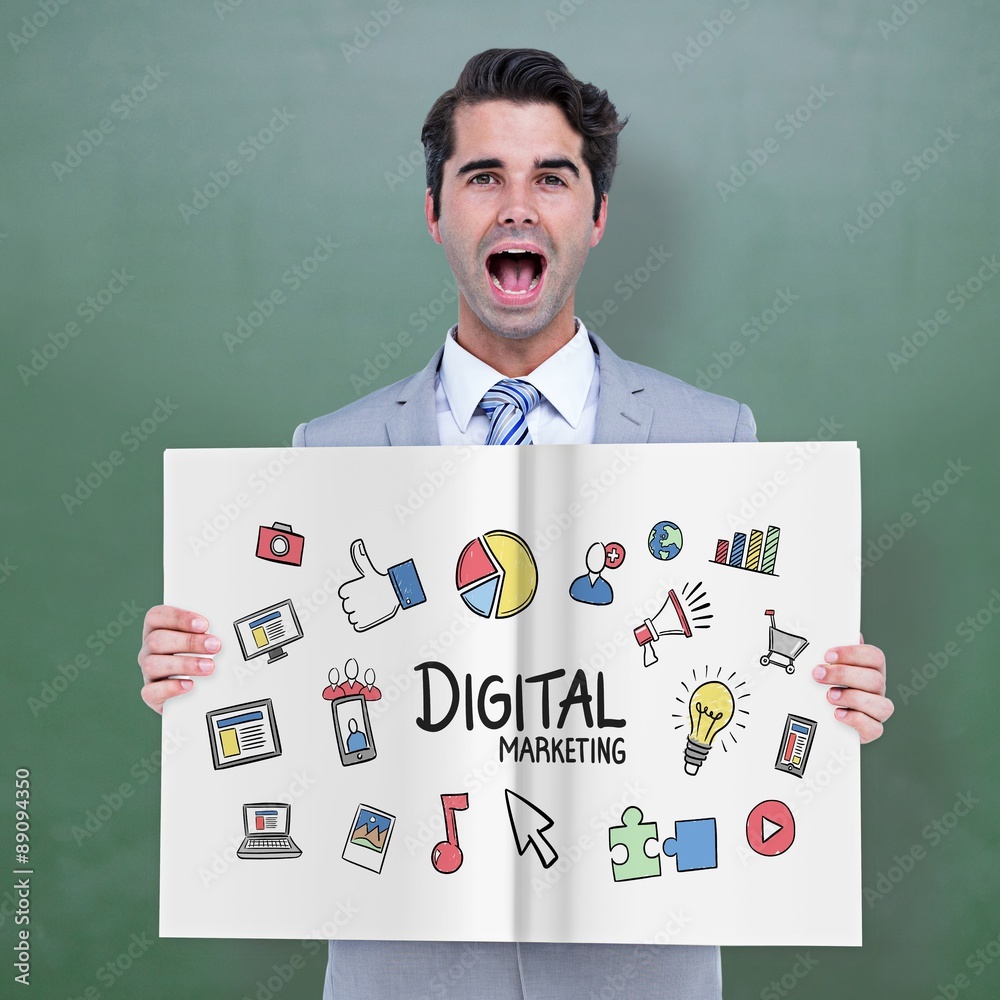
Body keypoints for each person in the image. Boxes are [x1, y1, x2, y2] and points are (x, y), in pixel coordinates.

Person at [139, 48, 894, 1000]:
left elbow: (744, 693)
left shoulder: (716, 439)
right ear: (434, 211)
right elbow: (304, 707)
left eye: (552, 176)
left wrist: (829, 702)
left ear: (599, 215)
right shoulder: (327, 455)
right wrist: (201, 675)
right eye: (483, 175)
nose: (517, 206)